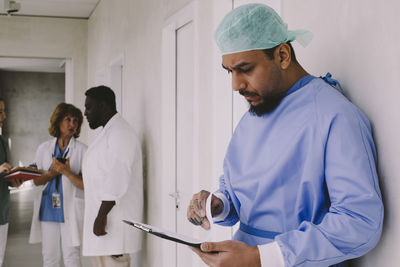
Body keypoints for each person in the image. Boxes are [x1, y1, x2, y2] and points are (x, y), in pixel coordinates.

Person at [187, 3, 383, 267]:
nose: (236, 85)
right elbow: (239, 190)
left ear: (282, 55)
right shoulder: (252, 117)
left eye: (245, 68)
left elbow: (360, 221)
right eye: (230, 72)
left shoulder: (334, 116)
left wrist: (262, 257)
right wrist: (217, 204)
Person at [82, 85, 143, 267]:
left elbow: (118, 177)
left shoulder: (121, 133)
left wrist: (101, 217)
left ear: (102, 106)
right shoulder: (109, 132)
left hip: (113, 225)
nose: (85, 113)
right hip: (107, 228)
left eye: (89, 107)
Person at [29, 103, 87, 267]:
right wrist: (52, 173)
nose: (72, 124)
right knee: (49, 257)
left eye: (75, 121)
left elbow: (86, 185)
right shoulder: (43, 149)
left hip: (70, 208)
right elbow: (36, 181)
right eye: (67, 119)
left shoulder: (83, 151)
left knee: (72, 256)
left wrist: (66, 171)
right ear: (58, 121)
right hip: (48, 209)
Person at [0, 97, 23, 267]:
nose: (3, 116)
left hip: (2, 211)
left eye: (3, 111)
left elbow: (4, 176)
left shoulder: (2, 142)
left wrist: (14, 181)